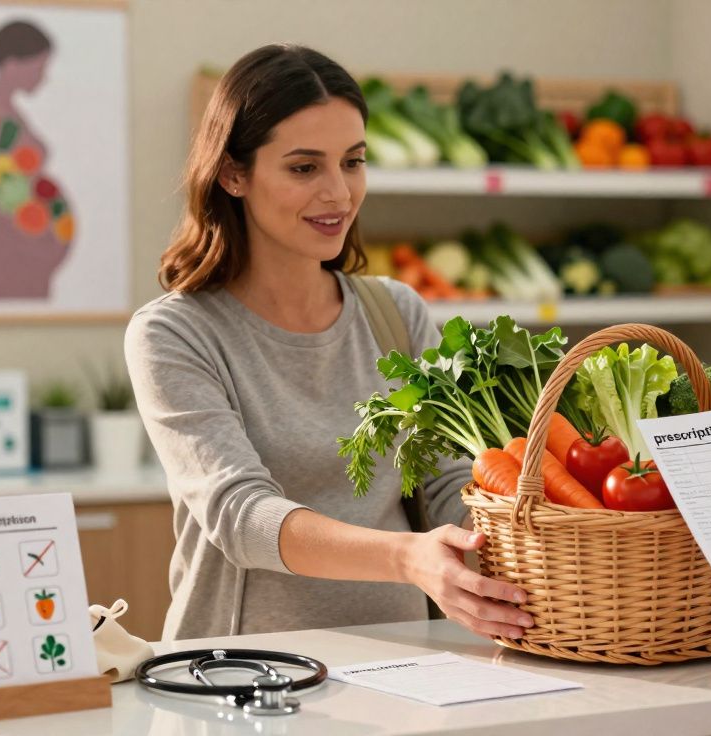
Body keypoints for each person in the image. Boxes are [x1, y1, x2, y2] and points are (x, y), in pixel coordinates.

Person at [124, 44, 533, 641]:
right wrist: (406, 558)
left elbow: (449, 482)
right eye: (303, 167)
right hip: (243, 676)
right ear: (234, 174)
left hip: (404, 666)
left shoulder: (396, 312)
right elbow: (242, 518)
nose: (339, 194)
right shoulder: (175, 333)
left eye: (353, 162)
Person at [0, 20, 76, 299]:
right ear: (12, 65)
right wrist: (13, 231)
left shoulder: (8, 111)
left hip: (29, 254)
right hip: (9, 256)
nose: (43, 77)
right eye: (39, 68)